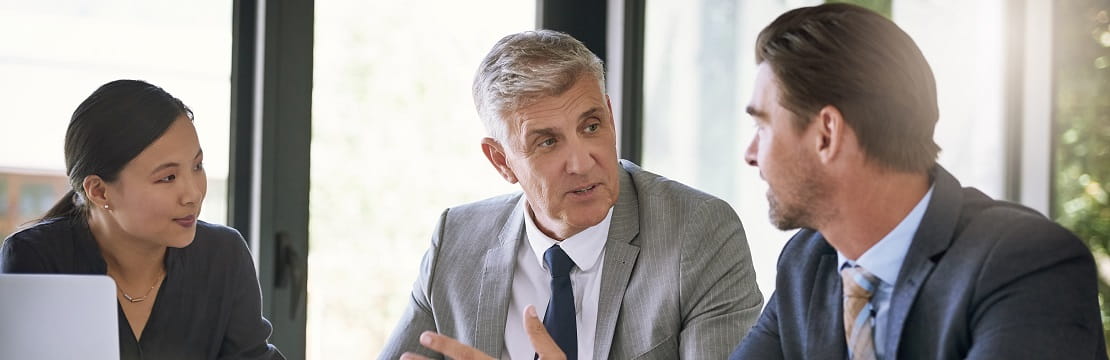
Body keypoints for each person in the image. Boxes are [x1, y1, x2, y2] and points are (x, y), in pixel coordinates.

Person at [730, 3, 1106, 359]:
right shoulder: (807, 262)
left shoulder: (1028, 264)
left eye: (762, 126)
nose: (750, 153)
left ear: (827, 134)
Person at [380, 30, 763, 359]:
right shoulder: (457, 240)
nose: (581, 163)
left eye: (592, 126)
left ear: (610, 116)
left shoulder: (698, 232)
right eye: (548, 142)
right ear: (501, 161)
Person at [0, 80, 284, 360]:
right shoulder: (36, 258)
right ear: (99, 191)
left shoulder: (223, 255)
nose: (194, 194)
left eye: (197, 166)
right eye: (167, 177)